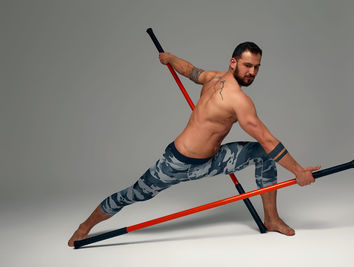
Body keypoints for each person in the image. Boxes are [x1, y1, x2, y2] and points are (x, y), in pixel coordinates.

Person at [68, 42, 320, 247]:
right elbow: (267, 138)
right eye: (246, 65)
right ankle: (84, 227)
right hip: (175, 163)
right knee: (133, 194)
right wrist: (298, 171)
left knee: (262, 155)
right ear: (233, 62)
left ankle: (271, 219)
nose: (251, 72)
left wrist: (170, 58)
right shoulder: (238, 100)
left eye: (256, 67)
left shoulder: (213, 78)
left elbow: (189, 69)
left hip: (210, 161)